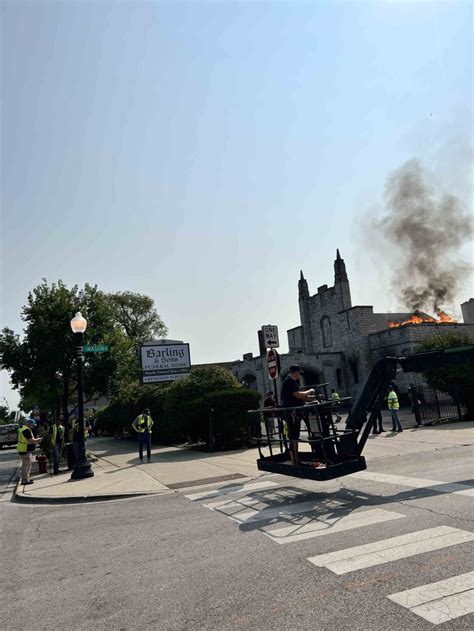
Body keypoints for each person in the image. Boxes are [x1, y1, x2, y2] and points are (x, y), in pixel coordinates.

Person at [280, 365, 315, 465]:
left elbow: (299, 397)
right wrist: (311, 391)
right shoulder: (289, 381)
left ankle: (295, 459)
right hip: (293, 413)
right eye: (299, 373)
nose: (300, 375)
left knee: (294, 436)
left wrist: (313, 397)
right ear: (295, 372)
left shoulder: (289, 381)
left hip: (294, 412)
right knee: (293, 436)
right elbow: (298, 395)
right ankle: (295, 460)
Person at [16, 419, 42, 485]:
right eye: (33, 425)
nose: (33, 426)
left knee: (26, 465)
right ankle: (24, 480)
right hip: (25, 450)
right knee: (26, 465)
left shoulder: (23, 429)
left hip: (24, 449)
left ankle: (26, 479)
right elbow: (31, 440)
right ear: (29, 424)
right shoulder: (26, 430)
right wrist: (39, 440)